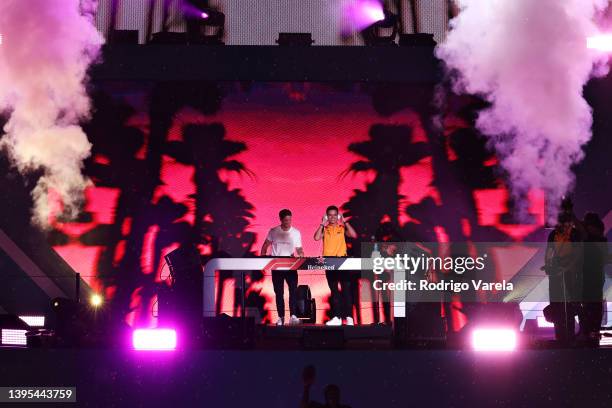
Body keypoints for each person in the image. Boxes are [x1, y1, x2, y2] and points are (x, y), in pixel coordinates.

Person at [314, 205, 358, 326]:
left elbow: (354, 235)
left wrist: (344, 222)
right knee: (334, 292)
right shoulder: (325, 229)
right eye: (330, 215)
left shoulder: (342, 228)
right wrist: (322, 224)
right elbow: (316, 238)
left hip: (343, 261)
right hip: (329, 263)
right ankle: (337, 318)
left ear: (338, 216)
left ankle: (349, 317)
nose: (332, 217)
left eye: (335, 215)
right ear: (327, 216)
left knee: (346, 291)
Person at [544, 210, 582, 345]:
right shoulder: (553, 235)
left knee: (570, 306)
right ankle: (560, 335)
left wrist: (570, 267)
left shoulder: (574, 234)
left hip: (571, 274)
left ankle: (570, 336)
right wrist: (549, 267)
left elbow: (578, 253)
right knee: (557, 306)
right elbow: (548, 252)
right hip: (556, 275)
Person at [261, 209, 304, 326]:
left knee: (293, 292)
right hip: (277, 265)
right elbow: (265, 245)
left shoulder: (296, 232)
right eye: (285, 220)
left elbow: (299, 248)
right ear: (280, 219)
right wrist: (262, 259)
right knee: (279, 293)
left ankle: (293, 316)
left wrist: (301, 254)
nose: (288, 222)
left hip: (291, 265)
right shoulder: (273, 231)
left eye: (290, 220)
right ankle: (281, 317)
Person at [578, 212, 608, 345]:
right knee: (588, 305)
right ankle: (588, 332)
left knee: (592, 306)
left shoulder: (596, 239)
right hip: (590, 277)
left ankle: (590, 332)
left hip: (593, 277)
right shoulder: (595, 239)